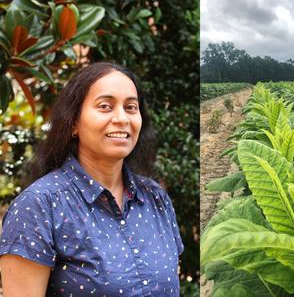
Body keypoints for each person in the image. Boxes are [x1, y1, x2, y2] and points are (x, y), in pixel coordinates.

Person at [0, 62, 184, 296]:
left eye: (131, 107)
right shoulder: (39, 206)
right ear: (74, 123)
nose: (121, 118)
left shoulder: (155, 198)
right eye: (105, 106)